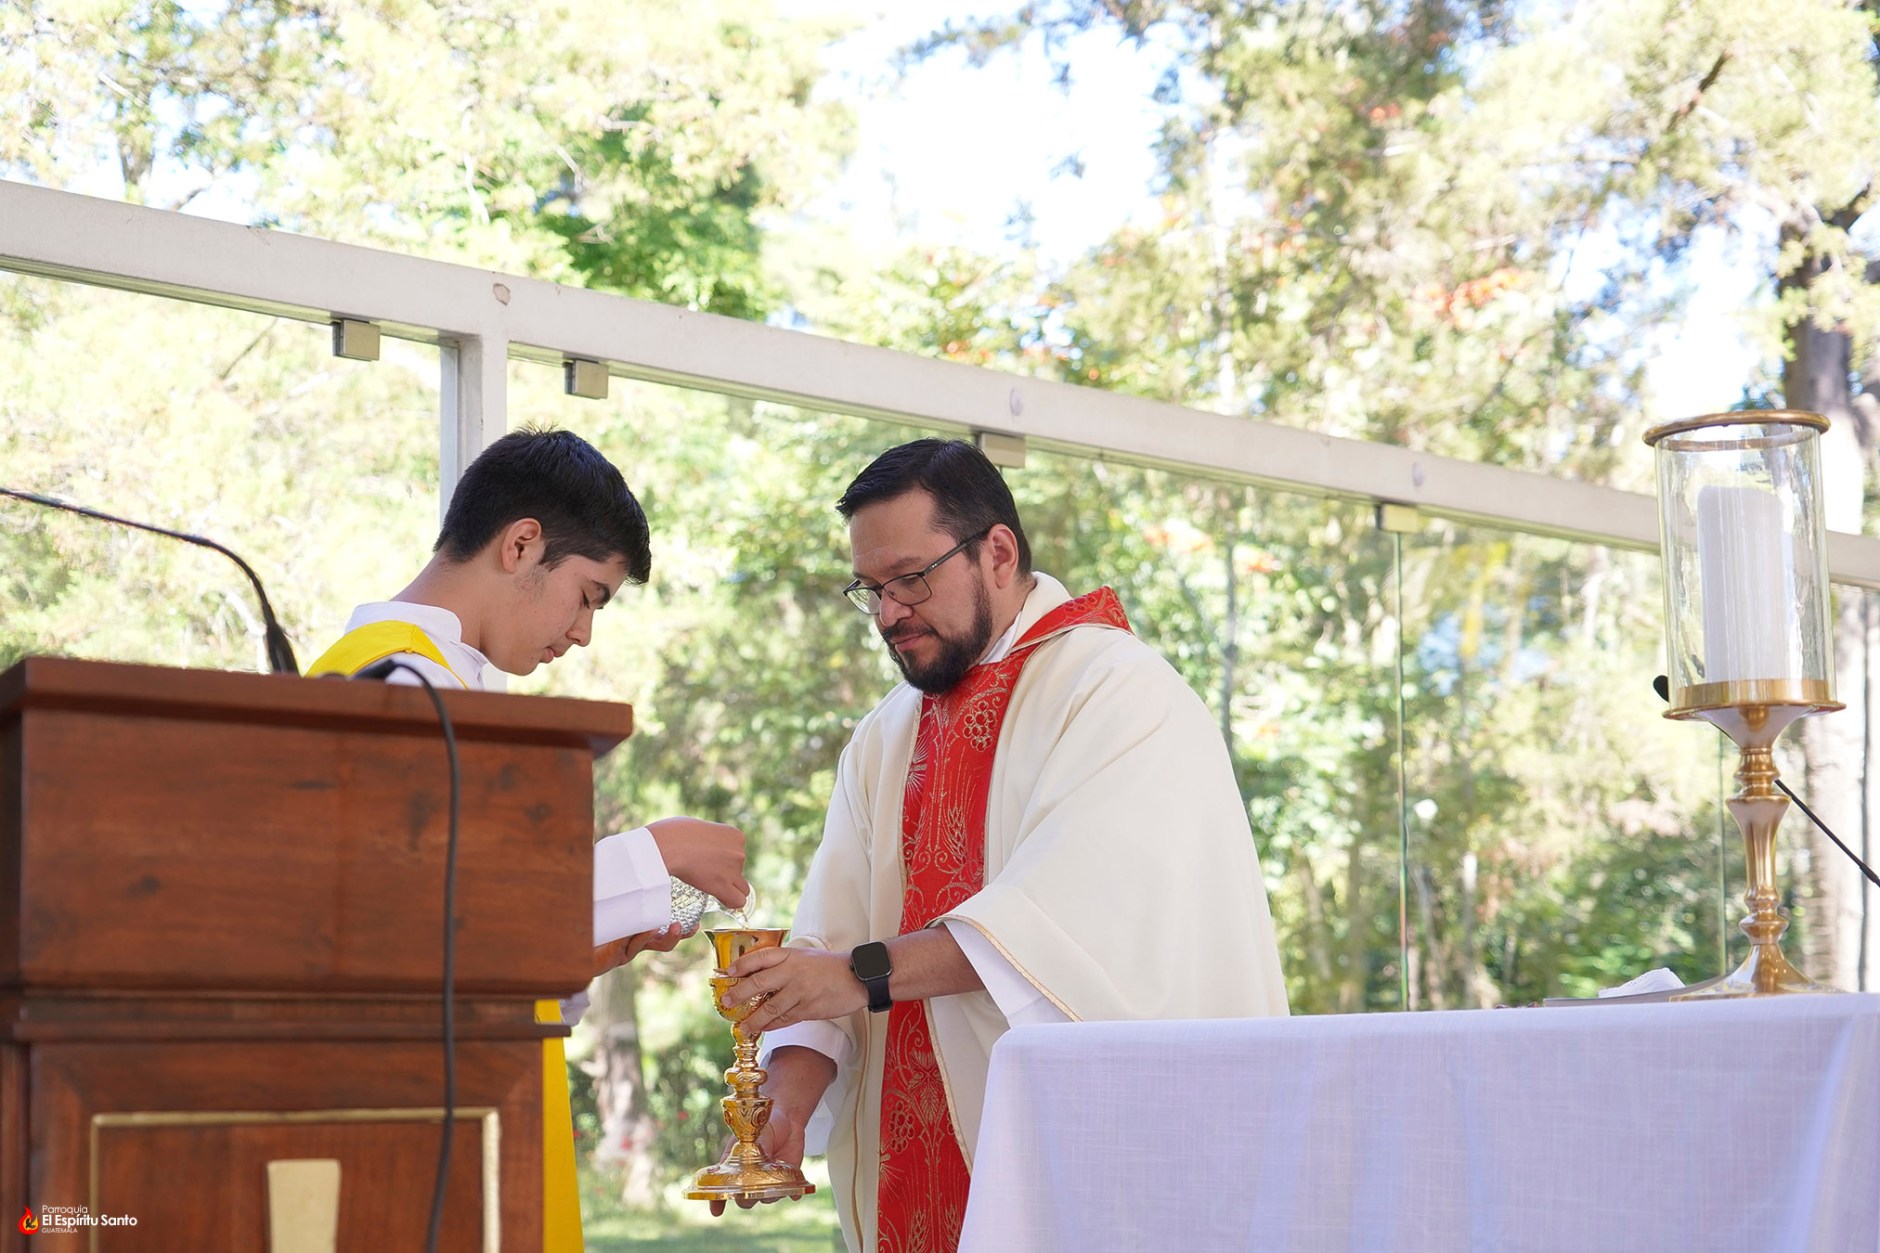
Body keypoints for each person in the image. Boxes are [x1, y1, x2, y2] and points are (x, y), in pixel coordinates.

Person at [717, 438, 1288, 1252]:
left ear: (998, 552)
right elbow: (829, 946)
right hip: (911, 1181)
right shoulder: (884, 736)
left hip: (1085, 1179)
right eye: (870, 589)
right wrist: (785, 1099)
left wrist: (855, 974)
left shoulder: (1117, 692)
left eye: (911, 578)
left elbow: (1063, 930)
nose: (888, 613)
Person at [305, 425, 749, 1253]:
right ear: (521, 545)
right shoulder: (402, 682)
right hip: (430, 1133)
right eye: (588, 595)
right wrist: (656, 854)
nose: (583, 633)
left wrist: (582, 952)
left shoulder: (422, 676)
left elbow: (454, 947)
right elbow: (443, 913)